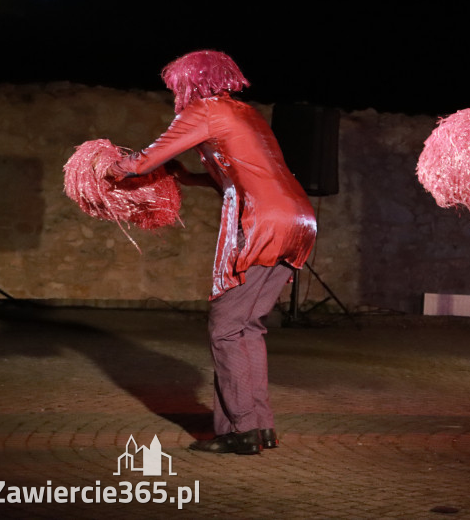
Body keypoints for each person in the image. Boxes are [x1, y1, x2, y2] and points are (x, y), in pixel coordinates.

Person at [108, 50, 317, 455]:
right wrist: (191, 179)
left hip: (265, 224)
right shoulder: (246, 113)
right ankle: (260, 426)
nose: (175, 94)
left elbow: (144, 161)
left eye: (176, 87)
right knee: (248, 326)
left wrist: (104, 169)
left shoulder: (203, 110)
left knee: (225, 327)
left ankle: (240, 430)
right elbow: (248, 176)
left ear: (190, 84)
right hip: (299, 219)